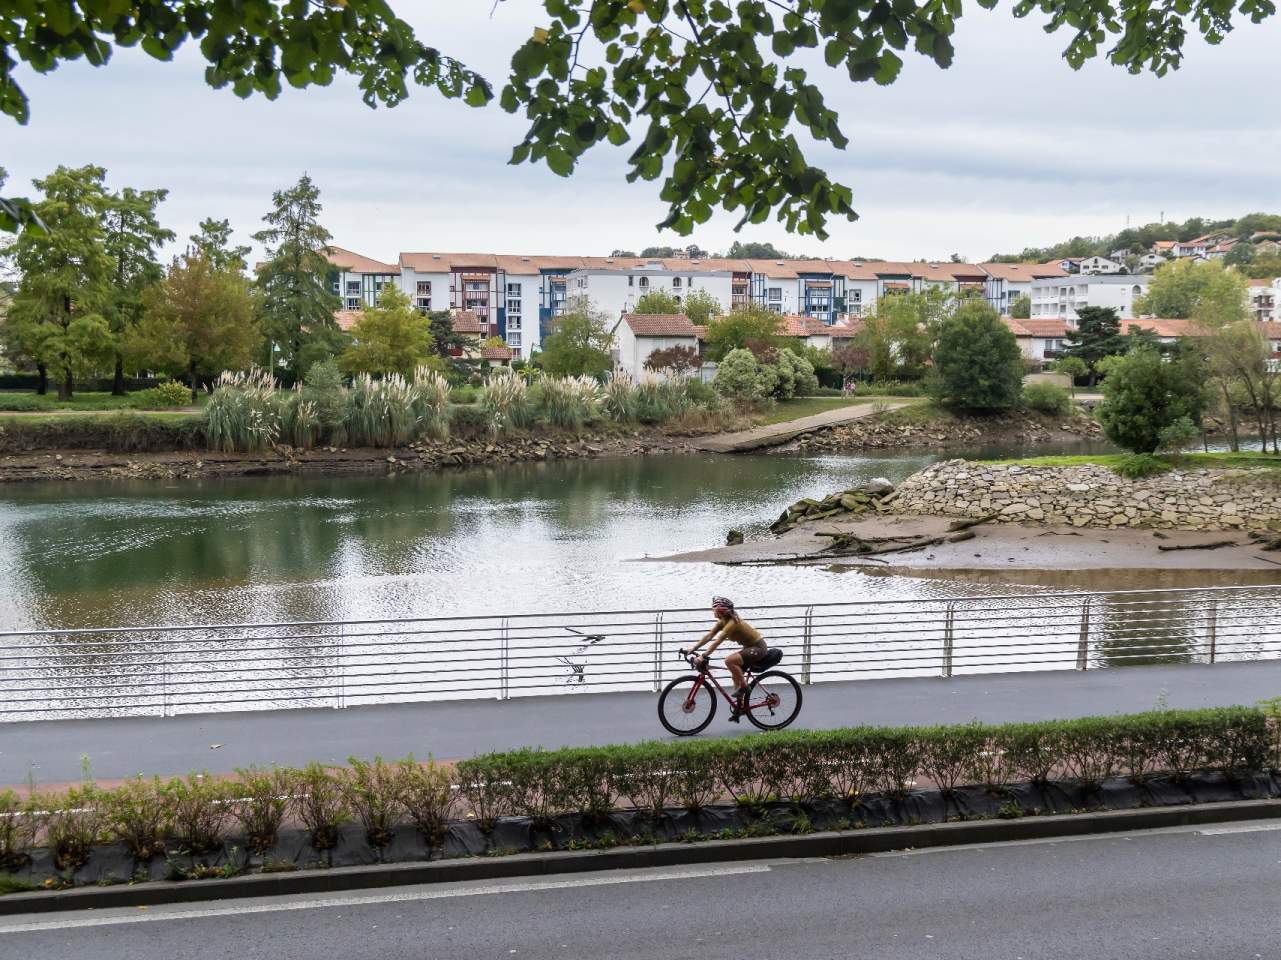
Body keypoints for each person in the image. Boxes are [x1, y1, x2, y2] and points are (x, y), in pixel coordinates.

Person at [688, 596, 768, 720]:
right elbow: (709, 636)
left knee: (729, 660)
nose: (712, 611)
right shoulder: (723, 621)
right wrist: (693, 649)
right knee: (735, 674)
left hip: (758, 648)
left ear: (721, 611)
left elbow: (717, 642)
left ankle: (745, 687)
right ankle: (739, 709)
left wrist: (703, 656)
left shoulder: (732, 624)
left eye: (714, 609)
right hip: (749, 648)